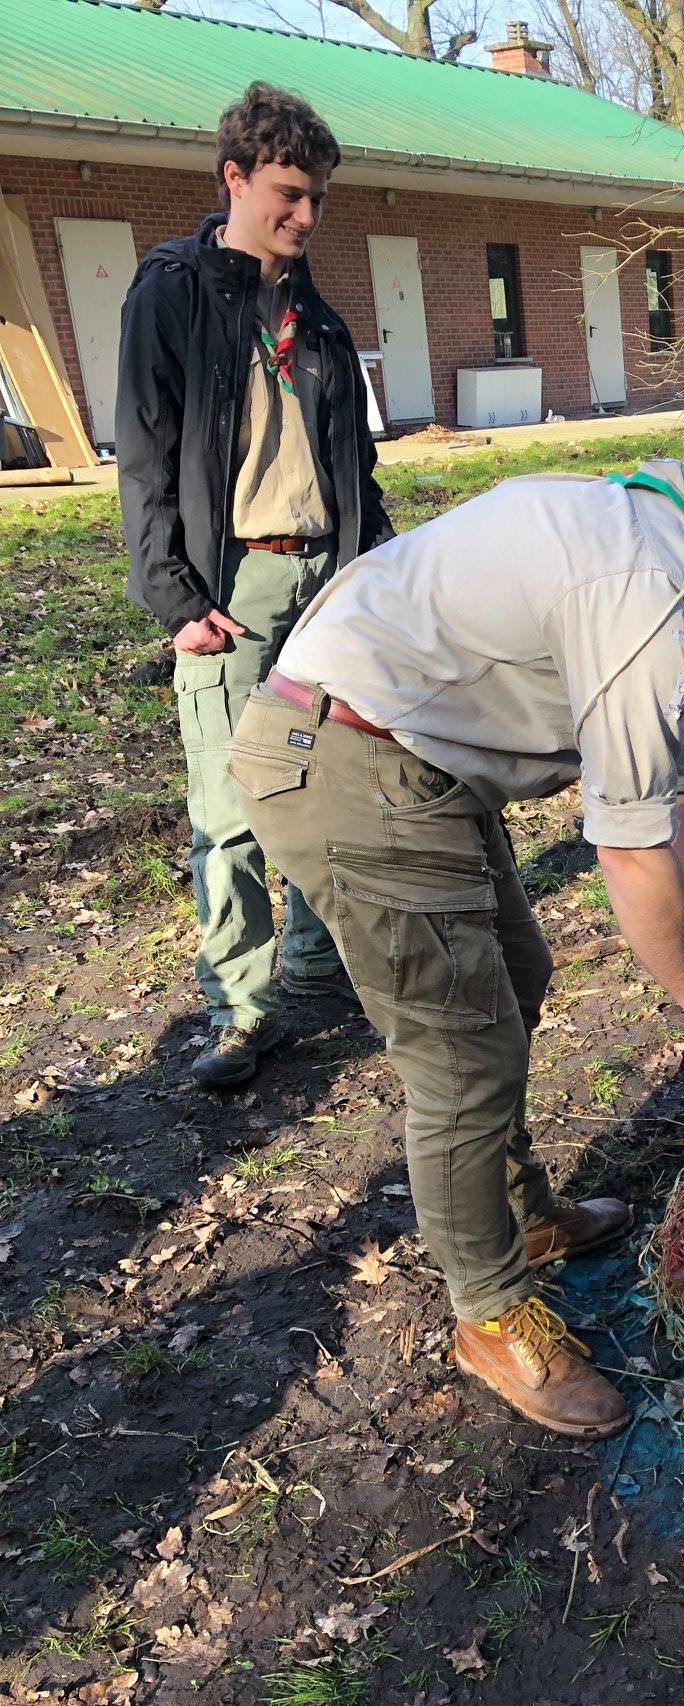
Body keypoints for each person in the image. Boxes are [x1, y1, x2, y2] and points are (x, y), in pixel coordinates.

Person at [227, 400, 684, 1440]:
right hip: (347, 759)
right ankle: (491, 1316)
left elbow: (663, 800)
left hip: (408, 753)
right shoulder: (644, 590)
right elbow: (628, 848)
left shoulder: (652, 528)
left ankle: (519, 1215)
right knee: (461, 1052)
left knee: (516, 976)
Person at [117, 82, 392, 1090]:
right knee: (230, 811)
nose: (306, 215)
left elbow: (355, 465)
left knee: (321, 784)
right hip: (232, 586)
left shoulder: (317, 315)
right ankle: (240, 1008)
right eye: (288, 193)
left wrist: (380, 572)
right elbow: (144, 453)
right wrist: (176, 600)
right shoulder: (173, 293)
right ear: (233, 178)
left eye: (317, 197)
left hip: (327, 581)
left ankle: (316, 960)